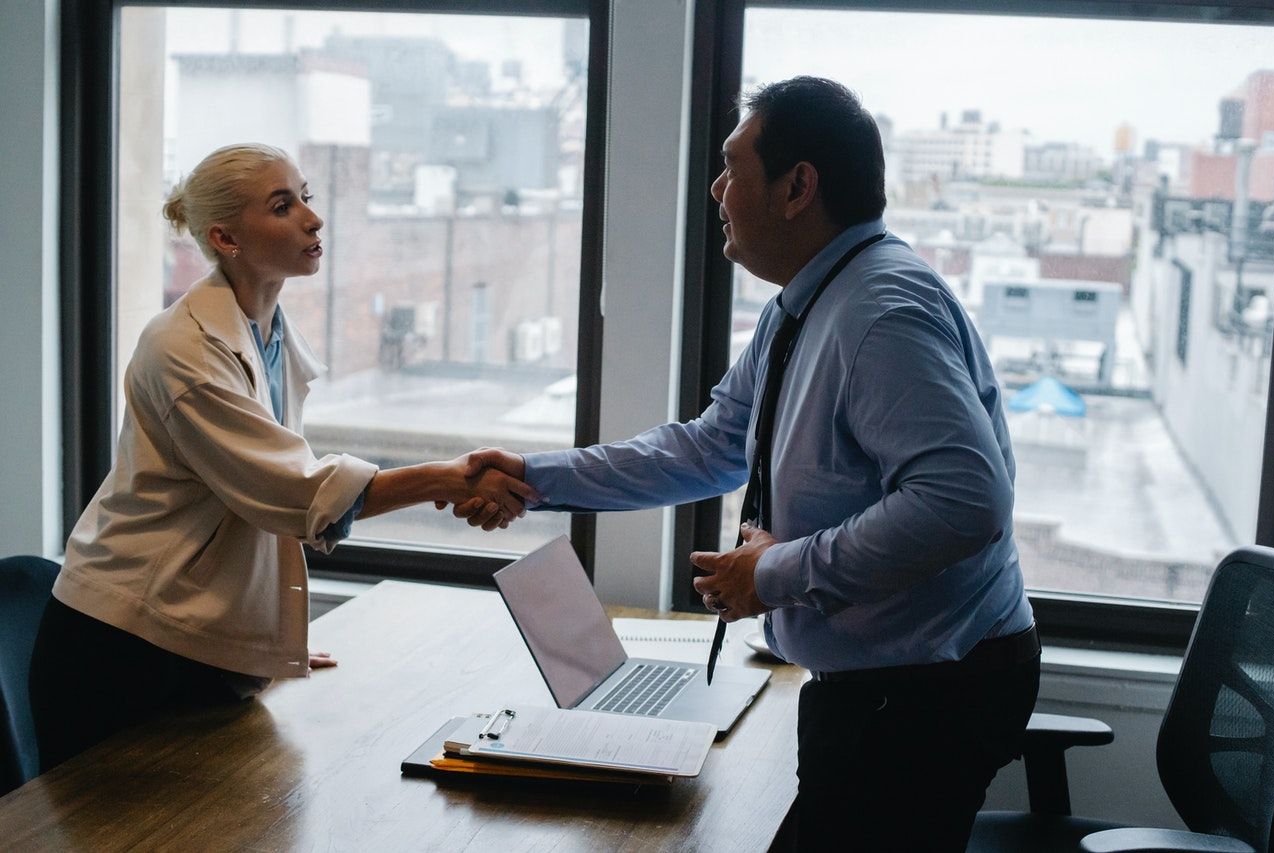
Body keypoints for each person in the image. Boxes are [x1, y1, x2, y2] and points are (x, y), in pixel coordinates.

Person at [462, 77, 1039, 851]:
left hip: (927, 692)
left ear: (798, 186)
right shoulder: (808, 301)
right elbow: (711, 446)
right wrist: (536, 477)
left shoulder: (882, 310)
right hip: (884, 687)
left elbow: (965, 501)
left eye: (733, 166)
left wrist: (772, 574)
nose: (716, 188)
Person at [28, 143, 536, 772]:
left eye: (306, 197)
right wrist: (449, 478)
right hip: (124, 643)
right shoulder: (183, 348)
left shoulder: (265, 331)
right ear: (225, 237)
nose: (312, 219)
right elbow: (293, 493)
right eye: (282, 205)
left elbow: (261, 499)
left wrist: (267, 638)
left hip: (189, 634)